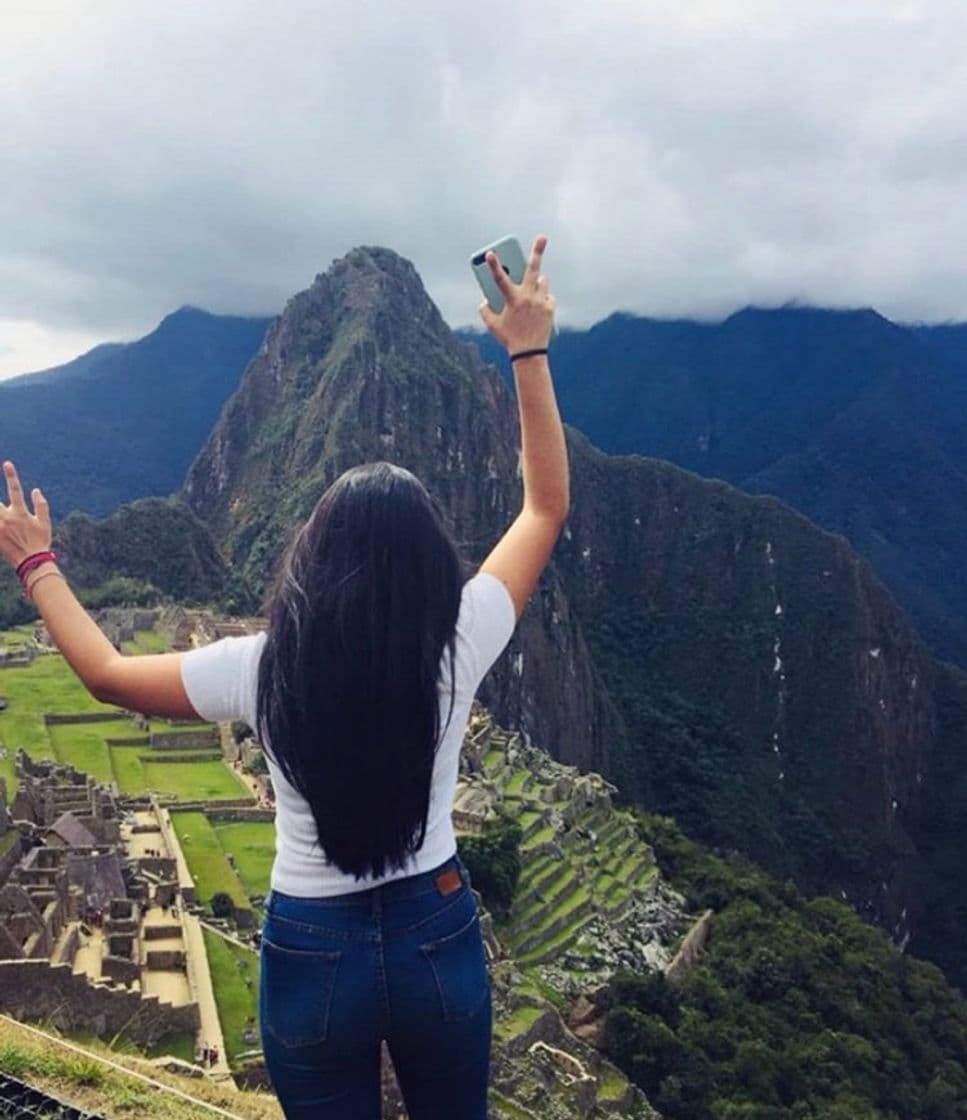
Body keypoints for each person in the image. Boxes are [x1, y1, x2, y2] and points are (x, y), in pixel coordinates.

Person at [0, 234, 568, 1119]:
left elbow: (107, 674)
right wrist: (527, 351)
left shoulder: (264, 669)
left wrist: (39, 566)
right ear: (430, 566)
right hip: (436, 932)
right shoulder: (458, 639)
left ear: (311, 555)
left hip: (312, 951)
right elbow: (544, 506)